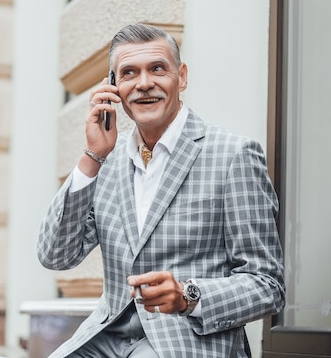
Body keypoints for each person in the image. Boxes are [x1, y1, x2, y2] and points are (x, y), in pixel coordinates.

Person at [37, 23, 285, 358]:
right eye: (128, 73)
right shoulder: (107, 160)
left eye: (157, 69)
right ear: (113, 87)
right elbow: (56, 255)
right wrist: (92, 156)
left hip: (187, 343)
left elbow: (267, 286)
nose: (143, 84)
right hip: (107, 339)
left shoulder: (233, 155)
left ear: (181, 77)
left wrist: (188, 296)